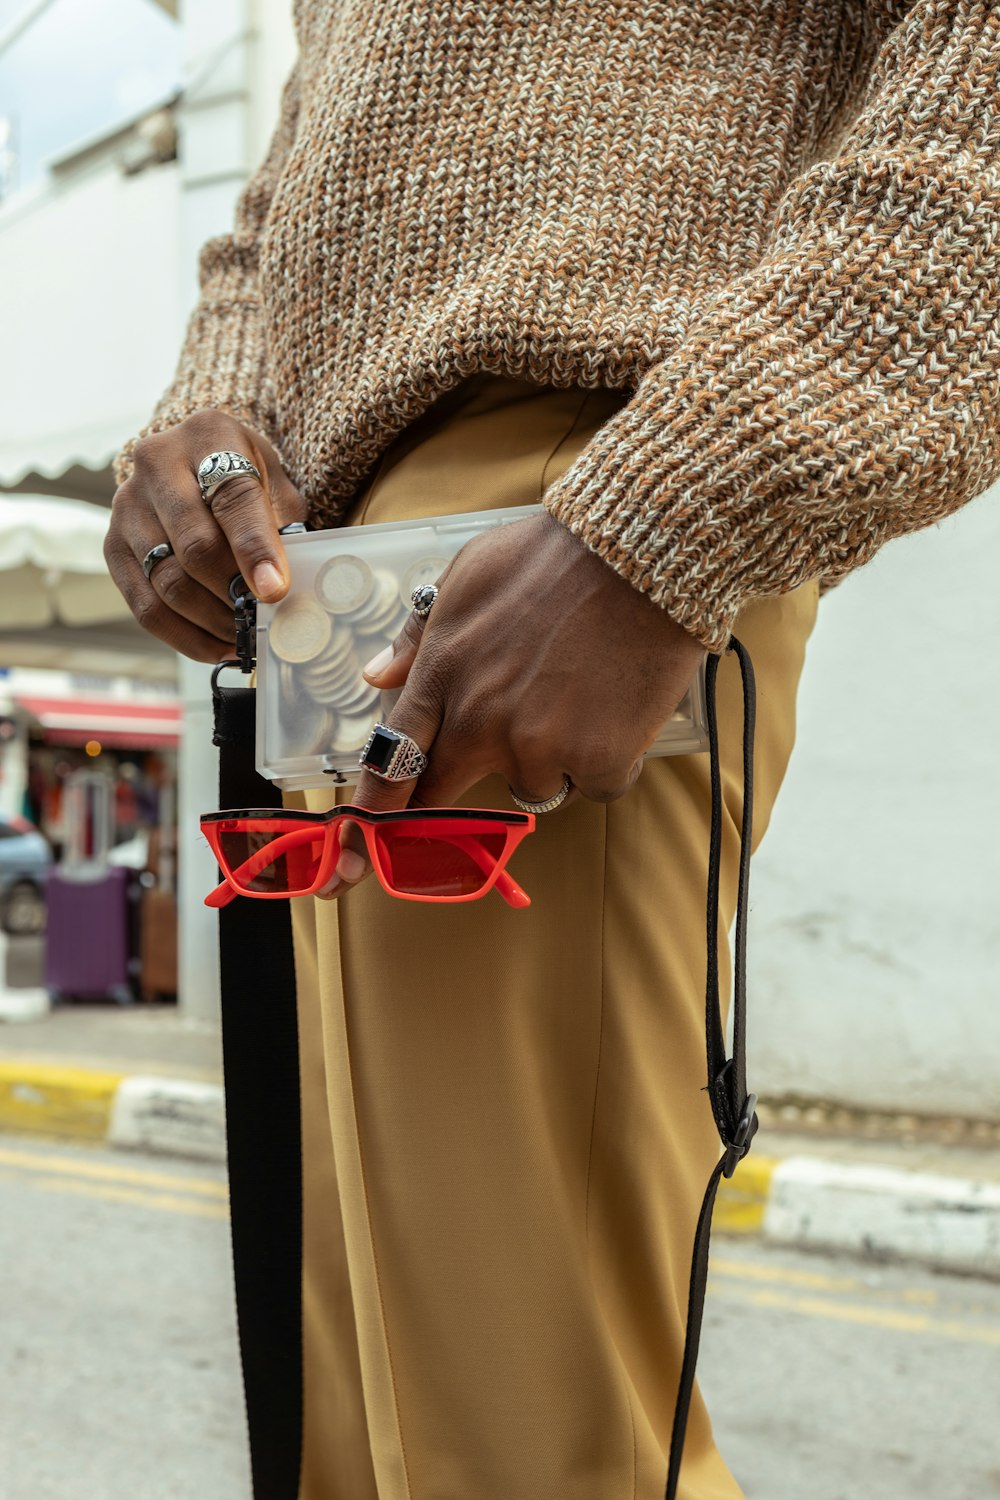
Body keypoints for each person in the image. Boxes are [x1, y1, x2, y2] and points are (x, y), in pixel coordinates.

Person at [106, 3, 1000, 1495]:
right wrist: (216, 416)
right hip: (324, 575)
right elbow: (316, 150)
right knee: (364, 1440)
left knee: (525, 1438)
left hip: (561, 518)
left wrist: (668, 512)